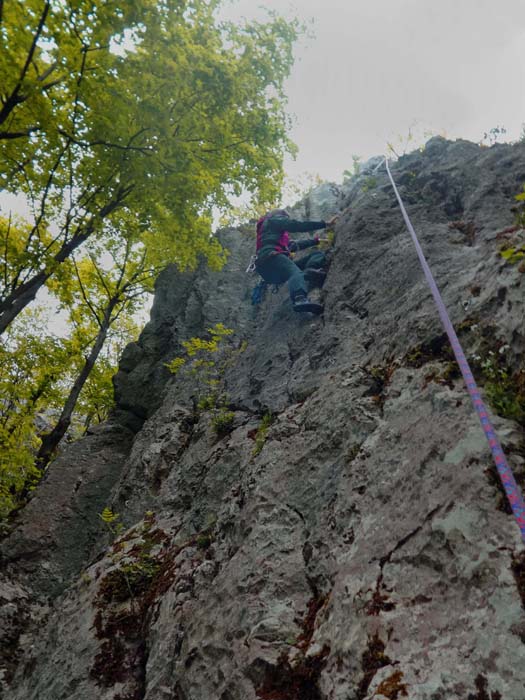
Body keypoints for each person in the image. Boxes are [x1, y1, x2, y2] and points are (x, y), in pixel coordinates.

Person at [255, 209, 338, 314]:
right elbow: (296, 225)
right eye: (286, 217)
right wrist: (325, 224)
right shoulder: (273, 220)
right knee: (294, 272)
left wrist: (316, 241)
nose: (286, 219)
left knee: (316, 255)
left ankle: (309, 271)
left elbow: (294, 245)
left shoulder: (271, 236)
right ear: (280, 215)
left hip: (270, 270)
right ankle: (300, 299)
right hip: (271, 258)